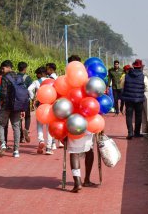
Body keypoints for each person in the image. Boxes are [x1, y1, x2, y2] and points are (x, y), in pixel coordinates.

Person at [67, 54, 96, 193]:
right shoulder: (88, 81)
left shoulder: (65, 80)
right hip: (89, 121)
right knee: (89, 149)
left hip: (73, 121)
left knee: (74, 152)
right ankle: (87, 179)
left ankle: (77, 181)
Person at [0, 60, 24, 158]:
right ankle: (16, 151)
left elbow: (3, 93)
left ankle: (3, 144)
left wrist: (1, 103)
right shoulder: (19, 77)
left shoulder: (5, 78)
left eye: (3, 68)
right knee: (16, 127)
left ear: (8, 67)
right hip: (17, 106)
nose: (2, 70)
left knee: (0, 124)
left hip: (6, 106)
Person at [120, 59, 148, 139]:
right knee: (138, 116)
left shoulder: (126, 75)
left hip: (129, 99)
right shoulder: (143, 77)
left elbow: (122, 85)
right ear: (141, 67)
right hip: (139, 99)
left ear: (133, 66)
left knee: (129, 116)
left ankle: (130, 133)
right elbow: (147, 89)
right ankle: (136, 132)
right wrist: (140, 90)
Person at [28, 66, 53, 155]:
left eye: (37, 74)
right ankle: (49, 148)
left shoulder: (36, 82)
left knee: (39, 125)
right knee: (49, 128)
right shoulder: (51, 82)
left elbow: (29, 89)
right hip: (50, 107)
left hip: (40, 106)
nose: (36, 76)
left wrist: (32, 97)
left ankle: (41, 140)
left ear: (40, 74)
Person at [17, 61, 32, 143]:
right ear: (25, 69)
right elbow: (30, 89)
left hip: (17, 100)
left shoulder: (15, 77)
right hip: (25, 99)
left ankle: (21, 137)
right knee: (28, 116)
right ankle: (26, 129)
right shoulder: (28, 78)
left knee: (18, 118)